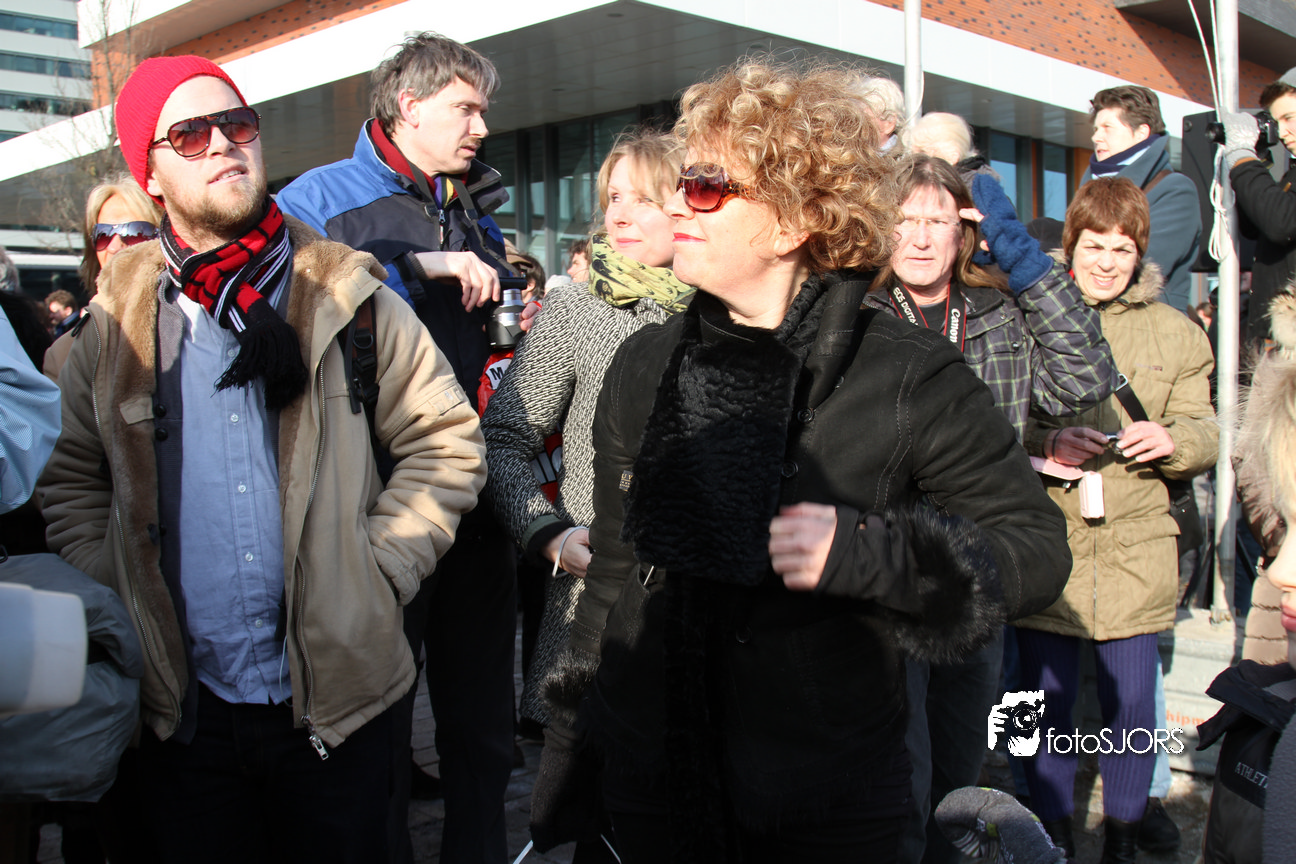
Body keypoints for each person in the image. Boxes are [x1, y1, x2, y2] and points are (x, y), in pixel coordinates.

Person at [560, 57, 1069, 863]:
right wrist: (575, 745)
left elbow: (1036, 550)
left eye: (706, 187)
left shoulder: (908, 375)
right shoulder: (644, 364)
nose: (677, 203)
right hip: (656, 775)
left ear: (795, 221)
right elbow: (617, 568)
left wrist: (877, 556)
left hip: (828, 793)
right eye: (683, 181)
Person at [35, 54, 486, 863]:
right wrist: (117, 587)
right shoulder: (112, 327)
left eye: (236, 124)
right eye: (190, 134)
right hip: (181, 717)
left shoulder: (350, 294)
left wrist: (379, 569)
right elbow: (71, 482)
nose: (222, 144)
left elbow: (446, 440)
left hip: (338, 707)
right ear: (151, 173)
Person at [276, 32, 518, 864]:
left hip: (473, 493)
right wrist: (417, 267)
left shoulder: (471, 204)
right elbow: (293, 307)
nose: (481, 126)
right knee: (374, 715)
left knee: (482, 723)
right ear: (409, 106)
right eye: (465, 108)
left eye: (483, 110)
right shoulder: (318, 199)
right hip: (377, 495)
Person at [865, 155, 1116, 864]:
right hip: (887, 567)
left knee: (959, 765)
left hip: (978, 567)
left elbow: (1086, 379)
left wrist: (1026, 262)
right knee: (901, 767)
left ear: (965, 234)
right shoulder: (858, 313)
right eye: (904, 220)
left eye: (938, 220)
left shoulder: (998, 313)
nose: (920, 237)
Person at [1016, 176, 1217, 864]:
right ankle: (1049, 836)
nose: (1107, 261)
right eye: (1094, 245)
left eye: (1122, 248)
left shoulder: (1177, 332)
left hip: (1136, 541)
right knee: (1040, 706)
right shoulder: (1028, 319)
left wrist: (1173, 439)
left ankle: (1123, 843)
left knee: (1133, 709)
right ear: (1071, 245)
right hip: (1050, 540)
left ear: (1141, 254)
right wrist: (1047, 441)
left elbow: (1204, 428)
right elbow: (995, 418)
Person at [1082, 86, 1201, 312]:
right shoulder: (1089, 189)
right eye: (1096, 128)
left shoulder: (1175, 190)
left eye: (1107, 128)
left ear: (1141, 132)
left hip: (1148, 324)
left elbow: (1145, 264)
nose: (1096, 137)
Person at [44, 174, 165, 382]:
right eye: (103, 234)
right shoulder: (63, 355)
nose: (115, 247)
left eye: (135, 232)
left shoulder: (199, 327)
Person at [1221, 68, 1296, 351]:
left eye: (1289, 118)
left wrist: (1242, 159)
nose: (1282, 133)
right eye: (1277, 122)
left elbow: (1280, 223)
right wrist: (1259, 159)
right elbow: (1256, 226)